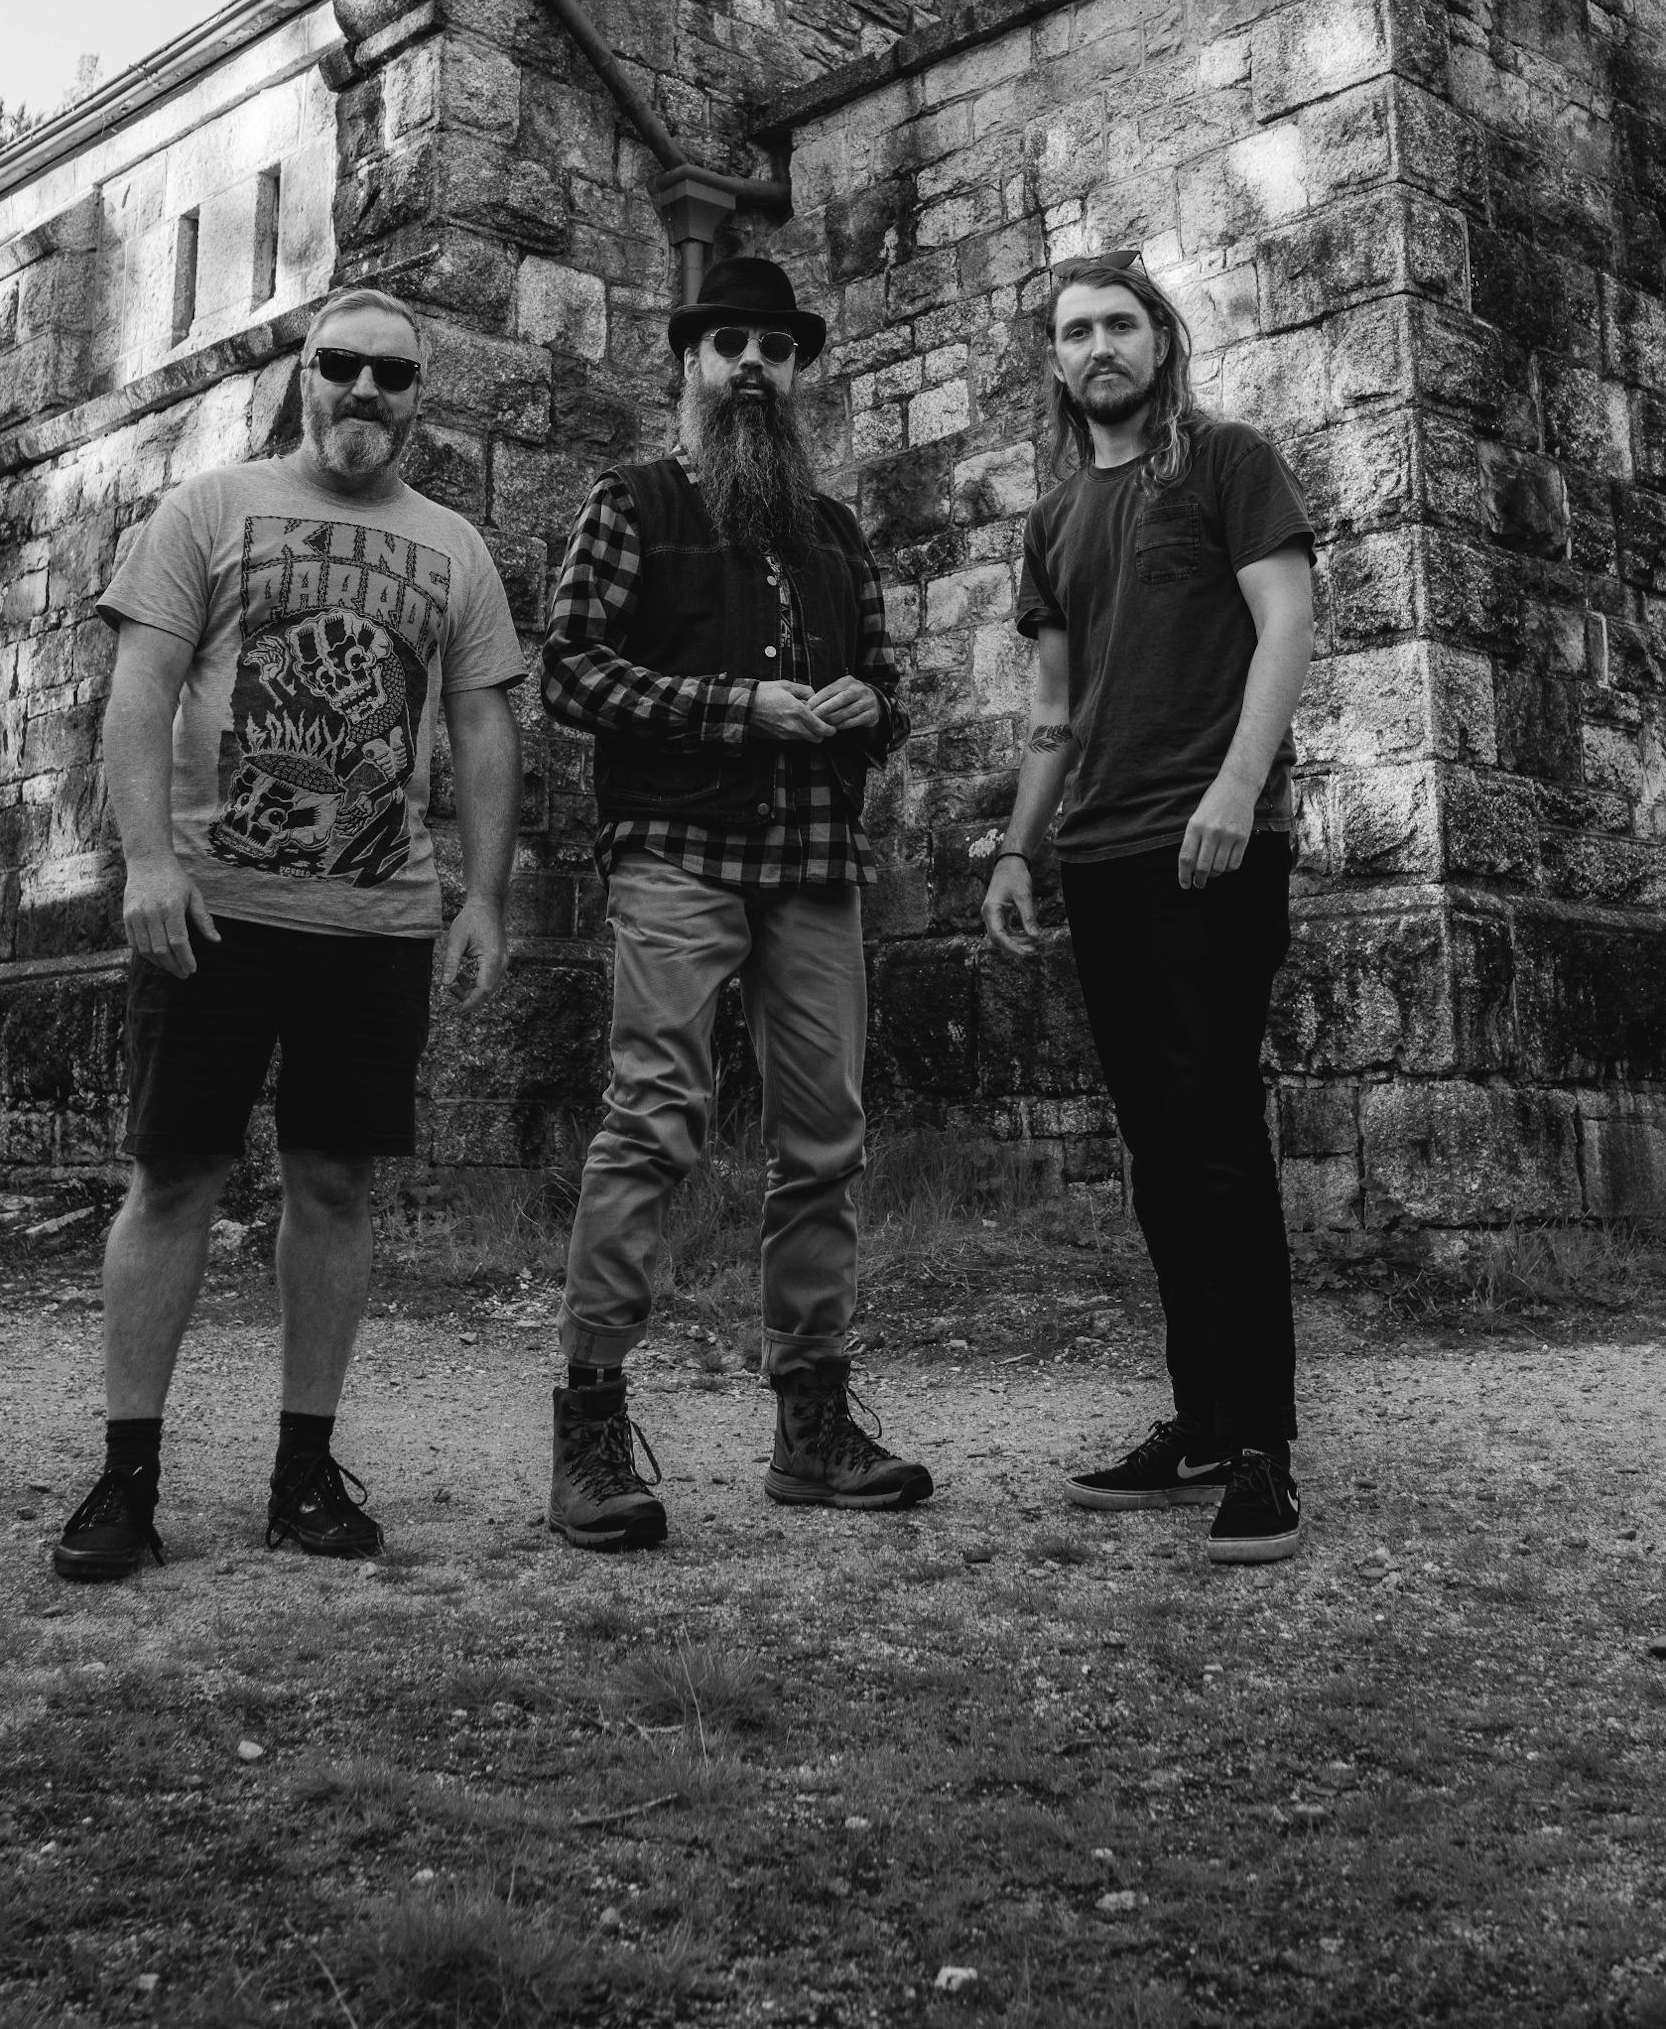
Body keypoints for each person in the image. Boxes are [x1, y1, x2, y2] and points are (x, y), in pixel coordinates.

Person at [48, 285, 525, 1582]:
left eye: (393, 375)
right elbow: (139, 689)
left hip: (374, 923)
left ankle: (303, 1475)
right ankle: (127, 1477)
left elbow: (484, 729)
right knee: (175, 1177)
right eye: (343, 366)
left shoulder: (456, 549)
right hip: (213, 911)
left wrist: (481, 897)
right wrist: (145, 856)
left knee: (334, 1183)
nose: (367, 391)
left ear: (419, 397)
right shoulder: (211, 510)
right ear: (303, 373)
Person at [536, 253, 926, 1549]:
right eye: (729, 346)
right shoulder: (633, 504)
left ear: (799, 373)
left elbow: (887, 682)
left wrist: (871, 709)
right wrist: (730, 708)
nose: (753, 365)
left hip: (815, 866)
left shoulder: (835, 534)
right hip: (677, 855)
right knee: (653, 1120)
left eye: (775, 347)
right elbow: (573, 674)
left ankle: (812, 1430)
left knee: (825, 1145)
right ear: (689, 369)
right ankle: (590, 1432)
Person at [982, 255, 1319, 1565]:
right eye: (1076, 332)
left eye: (1121, 323)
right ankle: (1196, 1423)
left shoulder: (1230, 463)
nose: (1100, 346)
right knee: (1161, 1149)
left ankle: (1264, 1452)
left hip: (1215, 845)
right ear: (1058, 365)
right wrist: (1018, 851)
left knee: (1218, 1135)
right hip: (1105, 860)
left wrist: (1237, 789)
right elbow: (1054, 709)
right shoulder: (1056, 519)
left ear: (1163, 341)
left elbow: (1286, 627)